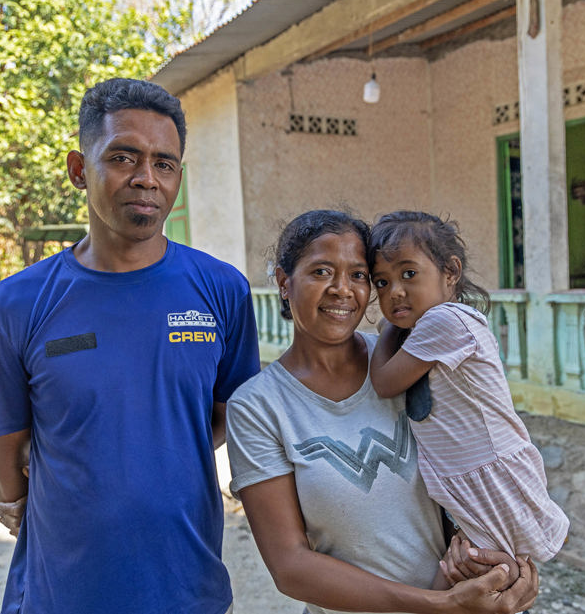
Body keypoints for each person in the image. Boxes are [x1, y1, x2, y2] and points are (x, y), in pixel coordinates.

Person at [0, 77, 260, 613]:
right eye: (124, 158)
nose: (146, 179)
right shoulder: (15, 304)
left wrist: (154, 454)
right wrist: (15, 500)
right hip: (63, 591)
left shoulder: (223, 290)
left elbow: (230, 412)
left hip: (186, 587)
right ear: (79, 170)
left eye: (164, 163)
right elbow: (6, 441)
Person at [226, 209, 539, 614]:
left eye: (358, 275)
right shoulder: (258, 407)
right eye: (322, 272)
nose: (343, 290)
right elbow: (291, 566)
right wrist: (439, 605)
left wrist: (490, 559)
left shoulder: (416, 363)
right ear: (285, 282)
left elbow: (473, 456)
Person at [368, 210, 569, 564]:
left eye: (409, 274)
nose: (395, 291)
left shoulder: (444, 321)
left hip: (488, 475)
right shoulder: (429, 328)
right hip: (465, 473)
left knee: (481, 572)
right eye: (381, 283)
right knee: (470, 570)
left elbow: (384, 382)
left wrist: (388, 328)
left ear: (451, 272)